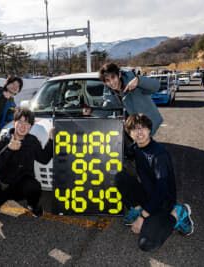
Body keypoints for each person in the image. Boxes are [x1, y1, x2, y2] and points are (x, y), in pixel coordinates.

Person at [115, 113, 194, 251]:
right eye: (134, 129)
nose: (139, 132)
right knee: (120, 177)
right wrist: (113, 127)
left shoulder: (159, 155)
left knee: (147, 245)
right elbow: (125, 152)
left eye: (142, 128)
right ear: (129, 133)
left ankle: (177, 215)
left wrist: (142, 218)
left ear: (149, 130)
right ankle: (139, 209)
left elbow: (161, 191)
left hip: (162, 202)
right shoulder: (136, 147)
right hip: (148, 195)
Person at [0, 108, 53, 217]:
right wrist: (8, 149)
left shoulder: (32, 141)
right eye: (20, 122)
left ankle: (33, 206)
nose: (23, 126)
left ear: (31, 127)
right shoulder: (3, 141)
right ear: (14, 123)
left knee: (34, 186)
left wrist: (51, 140)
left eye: (27, 123)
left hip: (23, 185)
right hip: (4, 185)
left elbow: (44, 159)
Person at [83, 63, 162, 137]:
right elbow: (107, 111)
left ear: (119, 75)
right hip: (131, 128)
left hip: (147, 124)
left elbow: (156, 86)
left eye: (113, 77)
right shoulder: (110, 93)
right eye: (107, 80)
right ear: (104, 82)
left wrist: (139, 80)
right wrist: (92, 111)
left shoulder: (133, 81)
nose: (111, 82)